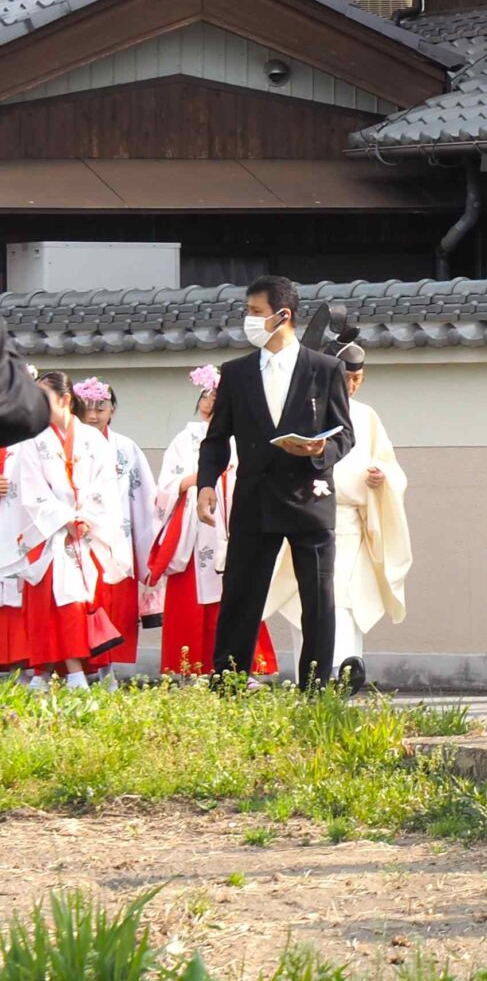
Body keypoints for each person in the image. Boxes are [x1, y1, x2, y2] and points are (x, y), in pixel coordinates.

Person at [196, 277, 355, 689]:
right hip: (255, 497)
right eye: (248, 312)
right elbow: (216, 439)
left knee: (318, 599)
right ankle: (228, 684)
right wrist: (206, 484)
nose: (249, 320)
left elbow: (344, 434)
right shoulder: (236, 373)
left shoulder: (326, 369)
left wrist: (319, 452)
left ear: (283, 315)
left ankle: (316, 689)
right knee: (241, 595)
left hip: (309, 496)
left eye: (255, 312)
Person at [262, 344, 411, 692]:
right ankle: (319, 675)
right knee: (314, 599)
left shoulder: (367, 415)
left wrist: (381, 479)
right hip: (311, 519)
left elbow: (390, 466)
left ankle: (345, 668)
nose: (352, 386)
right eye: (346, 378)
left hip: (352, 525)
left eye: (357, 379)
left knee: (347, 598)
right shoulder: (305, 409)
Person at [148, 369, 276, 677]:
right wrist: (197, 479)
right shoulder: (185, 438)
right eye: (206, 395)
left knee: (238, 592)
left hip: (232, 520)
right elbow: (166, 485)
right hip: (196, 528)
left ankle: (240, 668)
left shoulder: (244, 434)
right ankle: (191, 668)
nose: (211, 402)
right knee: (192, 599)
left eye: (218, 396)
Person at [1, 373, 125, 688]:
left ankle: (70, 673)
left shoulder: (93, 440)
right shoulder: (33, 441)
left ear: (65, 400)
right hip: (50, 532)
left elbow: (105, 485)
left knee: (77, 604)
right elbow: (32, 491)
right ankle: (57, 672)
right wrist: (64, 518)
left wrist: (84, 517)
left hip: (84, 532)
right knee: (49, 605)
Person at [70, 379, 154, 675]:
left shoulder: (126, 448)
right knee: (76, 606)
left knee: (117, 605)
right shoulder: (65, 443)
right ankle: (74, 669)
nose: (93, 415)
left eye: (101, 407)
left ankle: (110, 672)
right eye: (87, 407)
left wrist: (146, 545)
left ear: (113, 410)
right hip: (78, 537)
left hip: (117, 537)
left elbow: (144, 498)